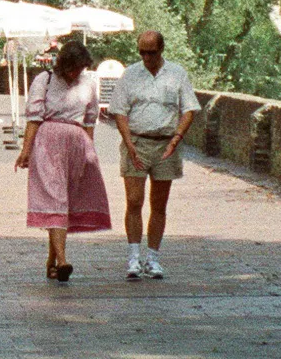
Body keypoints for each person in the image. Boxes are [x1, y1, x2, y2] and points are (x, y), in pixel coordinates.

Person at [15, 32, 113, 281]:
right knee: (53, 199)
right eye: (71, 68)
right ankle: (62, 261)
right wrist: (25, 151)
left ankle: (51, 261)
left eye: (79, 69)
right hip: (48, 141)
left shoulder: (88, 83)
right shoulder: (44, 79)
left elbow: (90, 119)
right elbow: (34, 118)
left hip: (76, 142)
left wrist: (89, 151)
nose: (74, 73)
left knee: (64, 202)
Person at [105, 29, 200, 279]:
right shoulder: (130, 74)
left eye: (151, 53)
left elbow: (189, 109)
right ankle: (134, 257)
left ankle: (153, 258)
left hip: (166, 143)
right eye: (142, 52)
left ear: (161, 50)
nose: (146, 57)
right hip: (136, 140)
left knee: (159, 204)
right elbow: (119, 111)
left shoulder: (177, 74)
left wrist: (177, 139)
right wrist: (128, 142)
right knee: (134, 201)